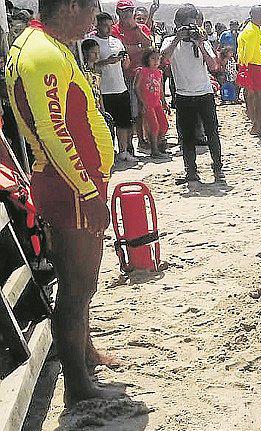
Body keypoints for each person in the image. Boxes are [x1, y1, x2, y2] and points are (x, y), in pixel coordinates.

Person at [6, 0, 121, 404]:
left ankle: (85, 354)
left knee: (81, 282)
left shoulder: (41, 45)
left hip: (71, 181)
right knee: (77, 285)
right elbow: (52, 131)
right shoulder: (42, 52)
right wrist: (87, 192)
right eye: (91, 11)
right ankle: (77, 385)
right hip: (70, 185)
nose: (94, 22)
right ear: (72, 6)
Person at [161, 3, 224, 182]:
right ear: (177, 24)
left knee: (212, 133)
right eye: (186, 24)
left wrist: (200, 44)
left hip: (204, 93)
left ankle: (217, 167)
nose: (190, 28)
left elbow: (214, 66)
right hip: (183, 95)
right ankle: (191, 171)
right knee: (186, 136)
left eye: (192, 24)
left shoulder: (202, 41)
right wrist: (177, 38)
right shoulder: (170, 41)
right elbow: (164, 58)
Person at [88, 12, 136, 163]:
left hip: (120, 86)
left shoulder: (116, 41)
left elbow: (125, 66)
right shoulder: (91, 41)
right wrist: (107, 62)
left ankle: (123, 151)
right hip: (103, 89)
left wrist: (125, 61)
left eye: (110, 26)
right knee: (106, 124)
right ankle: (109, 153)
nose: (108, 29)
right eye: (105, 26)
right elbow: (89, 65)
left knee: (123, 122)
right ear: (97, 26)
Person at [112, 0, 156, 154]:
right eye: (124, 11)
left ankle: (143, 140)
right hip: (123, 75)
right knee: (130, 111)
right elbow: (121, 49)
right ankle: (129, 144)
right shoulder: (114, 29)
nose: (127, 14)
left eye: (129, 11)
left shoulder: (140, 28)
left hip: (141, 75)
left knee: (143, 109)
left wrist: (135, 28)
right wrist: (138, 47)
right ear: (118, 12)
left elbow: (148, 45)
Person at [237, 5, 261, 136]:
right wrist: (245, 69)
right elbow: (247, 54)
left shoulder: (257, 30)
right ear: (254, 16)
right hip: (257, 68)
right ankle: (258, 126)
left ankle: (260, 124)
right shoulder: (251, 32)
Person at [135, 49, 169, 158]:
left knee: (164, 125)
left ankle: (157, 144)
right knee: (153, 126)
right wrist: (141, 102)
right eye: (153, 58)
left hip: (157, 103)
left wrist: (164, 102)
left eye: (158, 59)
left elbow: (161, 89)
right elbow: (136, 87)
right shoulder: (142, 71)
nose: (156, 61)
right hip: (147, 103)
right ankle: (154, 150)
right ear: (147, 59)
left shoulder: (159, 72)